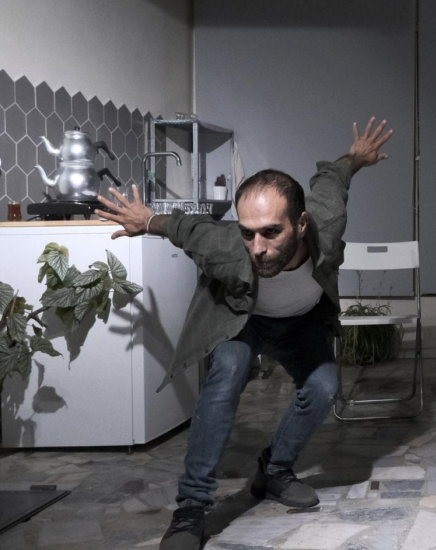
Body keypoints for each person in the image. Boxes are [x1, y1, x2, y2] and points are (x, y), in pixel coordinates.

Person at [95, 118, 393, 550]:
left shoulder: (327, 221)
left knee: (325, 384)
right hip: (243, 320)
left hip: (304, 323)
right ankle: (191, 509)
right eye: (248, 233)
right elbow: (190, 229)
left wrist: (357, 159)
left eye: (271, 232)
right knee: (228, 371)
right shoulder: (228, 246)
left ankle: (273, 472)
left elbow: (332, 178)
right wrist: (149, 220)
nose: (258, 247)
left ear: (302, 223)